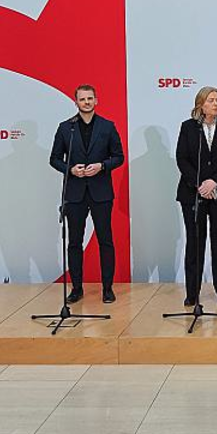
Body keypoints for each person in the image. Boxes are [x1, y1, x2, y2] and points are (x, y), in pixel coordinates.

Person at [48, 84, 125, 304]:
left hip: (101, 192)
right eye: (82, 99)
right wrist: (70, 170)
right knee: (74, 242)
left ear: (96, 100)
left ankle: (107, 289)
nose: (87, 102)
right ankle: (77, 288)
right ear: (76, 103)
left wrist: (102, 165)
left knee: (105, 241)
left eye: (90, 98)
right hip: (75, 192)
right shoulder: (66, 128)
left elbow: (118, 156)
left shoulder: (107, 126)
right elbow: (54, 159)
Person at [175, 86, 217, 306]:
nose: (215, 103)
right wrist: (200, 184)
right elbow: (182, 159)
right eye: (211, 100)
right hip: (193, 193)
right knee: (195, 242)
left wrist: (214, 182)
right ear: (201, 104)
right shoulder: (188, 127)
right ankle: (192, 293)